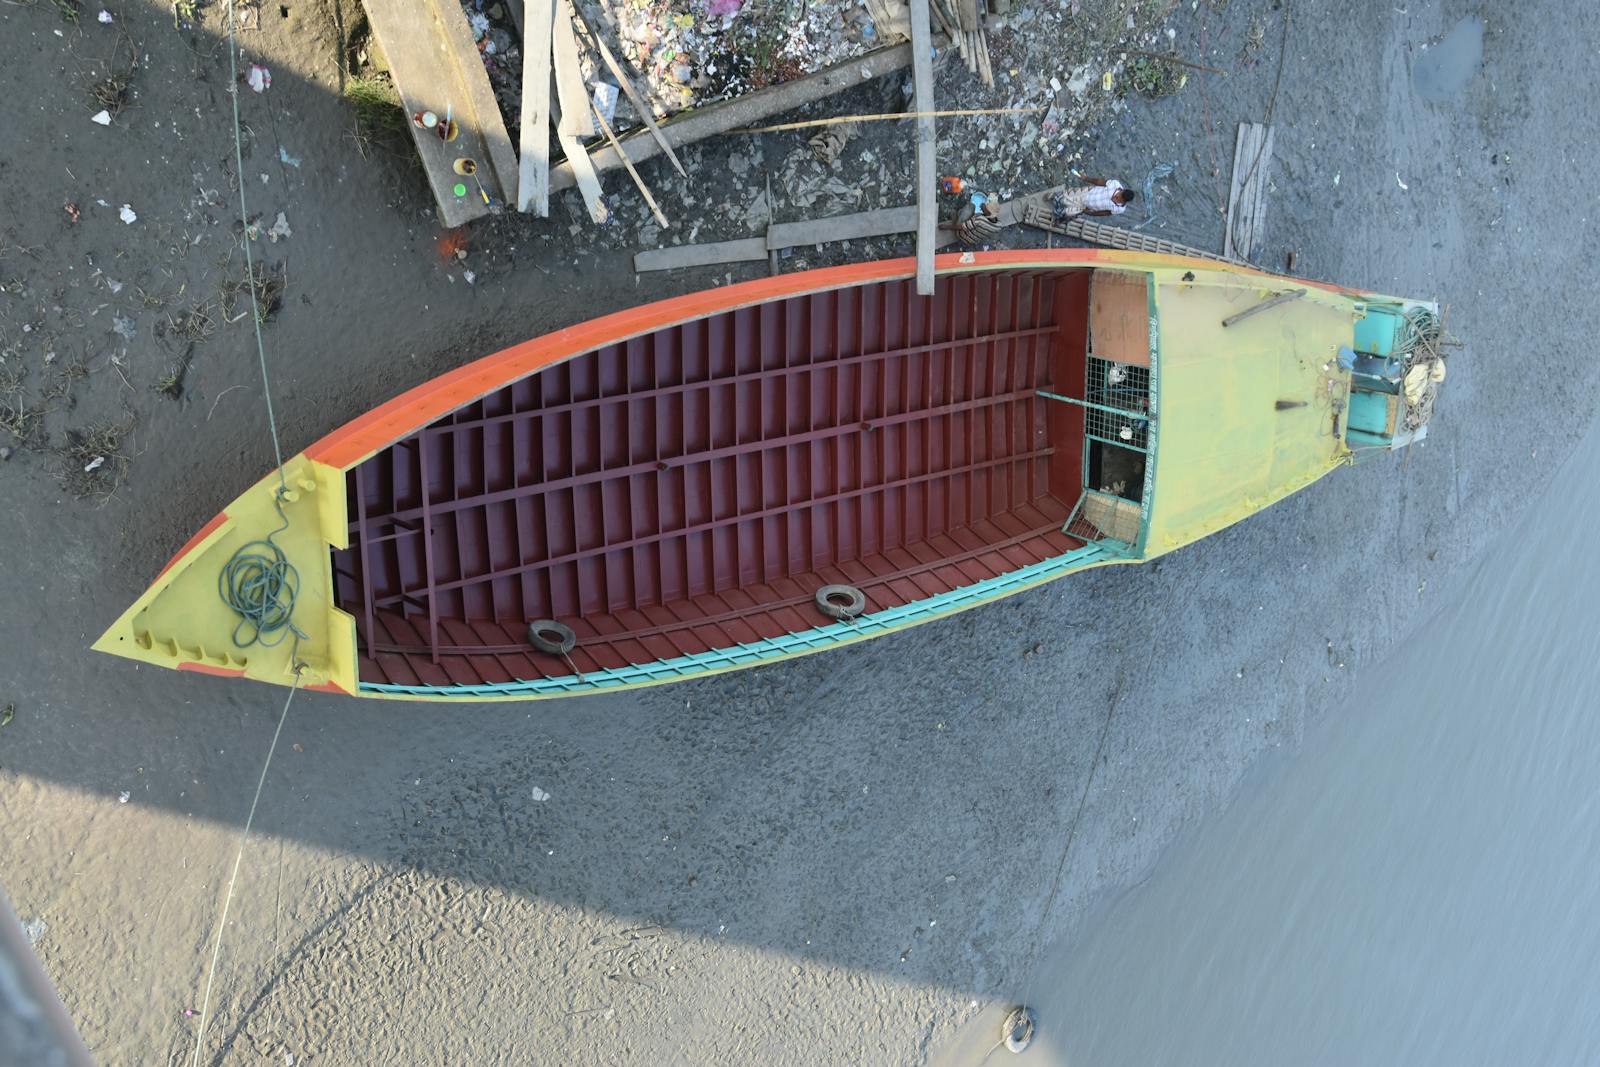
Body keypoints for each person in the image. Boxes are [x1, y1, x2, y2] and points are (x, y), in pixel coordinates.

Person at [1052, 176, 1137, 219]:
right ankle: (1054, 197)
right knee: (1065, 197)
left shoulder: (1119, 209)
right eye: (1119, 194)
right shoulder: (1115, 184)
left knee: (1067, 213)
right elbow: (1099, 181)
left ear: (1124, 201)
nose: (1116, 196)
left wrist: (1090, 213)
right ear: (1123, 190)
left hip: (1087, 207)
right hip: (1087, 193)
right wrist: (1086, 178)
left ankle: (1059, 216)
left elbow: (1104, 213)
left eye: (1119, 198)